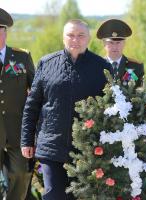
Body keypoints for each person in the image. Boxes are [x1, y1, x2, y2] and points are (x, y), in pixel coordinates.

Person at [20, 19, 110, 200]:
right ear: (63, 38)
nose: (75, 39)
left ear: (89, 38)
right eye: (70, 35)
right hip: (51, 146)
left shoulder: (102, 67)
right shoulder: (46, 63)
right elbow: (32, 105)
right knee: (54, 195)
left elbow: (109, 109)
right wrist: (26, 140)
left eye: (80, 35)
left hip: (87, 149)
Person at [0, 8, 35, 200]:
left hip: (17, 131)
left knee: (21, 175)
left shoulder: (21, 57)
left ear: (5, 31)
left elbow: (37, 91)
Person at [96, 19, 144, 87]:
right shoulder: (96, 67)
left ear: (124, 43)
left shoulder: (135, 66)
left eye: (118, 43)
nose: (115, 47)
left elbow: (141, 92)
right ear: (104, 44)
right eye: (111, 43)